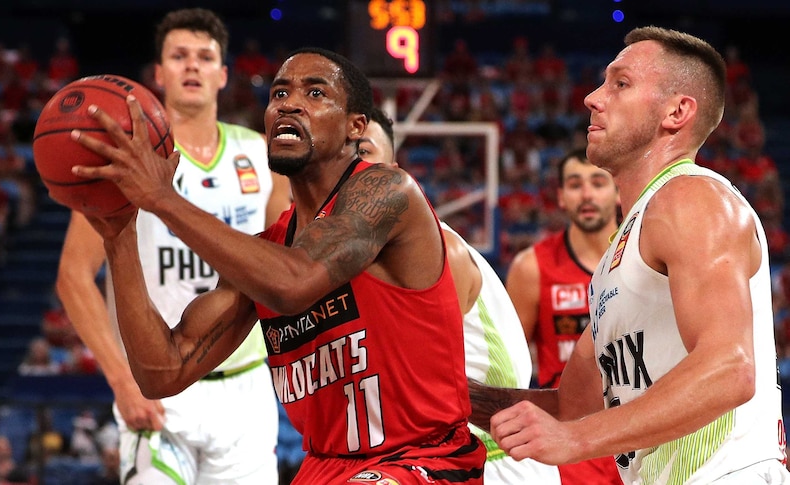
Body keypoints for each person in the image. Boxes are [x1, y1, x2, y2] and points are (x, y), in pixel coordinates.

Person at [70, 47, 486, 484]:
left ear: (354, 128)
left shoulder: (386, 191)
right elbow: (164, 371)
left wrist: (161, 198)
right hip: (326, 466)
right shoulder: (264, 253)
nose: (289, 103)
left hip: (424, 459)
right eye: (280, 93)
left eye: (315, 92)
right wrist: (118, 236)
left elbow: (297, 282)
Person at [471, 26, 789, 484]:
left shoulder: (691, 198)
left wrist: (577, 442)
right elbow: (569, 407)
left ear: (676, 112)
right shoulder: (618, 258)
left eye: (620, 84)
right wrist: (458, 397)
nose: (592, 98)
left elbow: (730, 369)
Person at [55, 8, 291, 484]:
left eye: (204, 57)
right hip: (157, 385)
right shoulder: (124, 160)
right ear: (159, 73)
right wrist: (122, 380)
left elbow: (283, 271)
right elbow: (74, 276)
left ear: (223, 74)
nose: (191, 66)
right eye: (179, 56)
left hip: (244, 389)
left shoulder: (262, 157)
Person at [360, 106, 560, 484]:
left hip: (495, 458)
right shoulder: (349, 253)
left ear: (394, 170)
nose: (352, 166)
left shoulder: (431, 251)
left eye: (364, 152)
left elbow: (422, 387)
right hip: (436, 454)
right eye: (342, 154)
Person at [505, 147, 622, 484]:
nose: (586, 194)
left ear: (617, 191)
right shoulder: (532, 268)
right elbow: (507, 367)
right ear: (560, 197)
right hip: (570, 441)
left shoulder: (646, 255)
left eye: (598, 182)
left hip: (638, 426)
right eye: (575, 184)